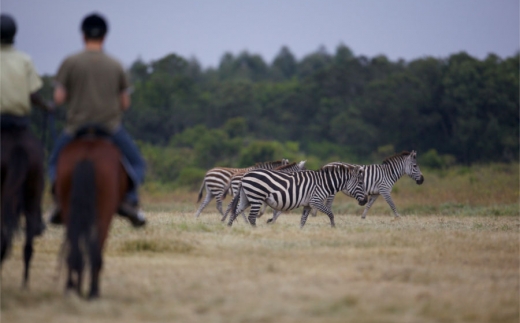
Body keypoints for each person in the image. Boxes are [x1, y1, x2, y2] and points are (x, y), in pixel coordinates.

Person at [48, 13, 146, 227]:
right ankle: (129, 201)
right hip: (109, 128)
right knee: (138, 163)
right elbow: (125, 103)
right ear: (105, 36)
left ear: (83, 36)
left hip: (76, 128)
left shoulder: (70, 62)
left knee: (54, 163)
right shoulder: (116, 65)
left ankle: (58, 202)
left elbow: (59, 98)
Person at [0, 13, 53, 235]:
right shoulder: (25, 60)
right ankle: (35, 216)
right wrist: (47, 106)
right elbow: (34, 95)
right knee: (37, 158)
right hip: (20, 125)